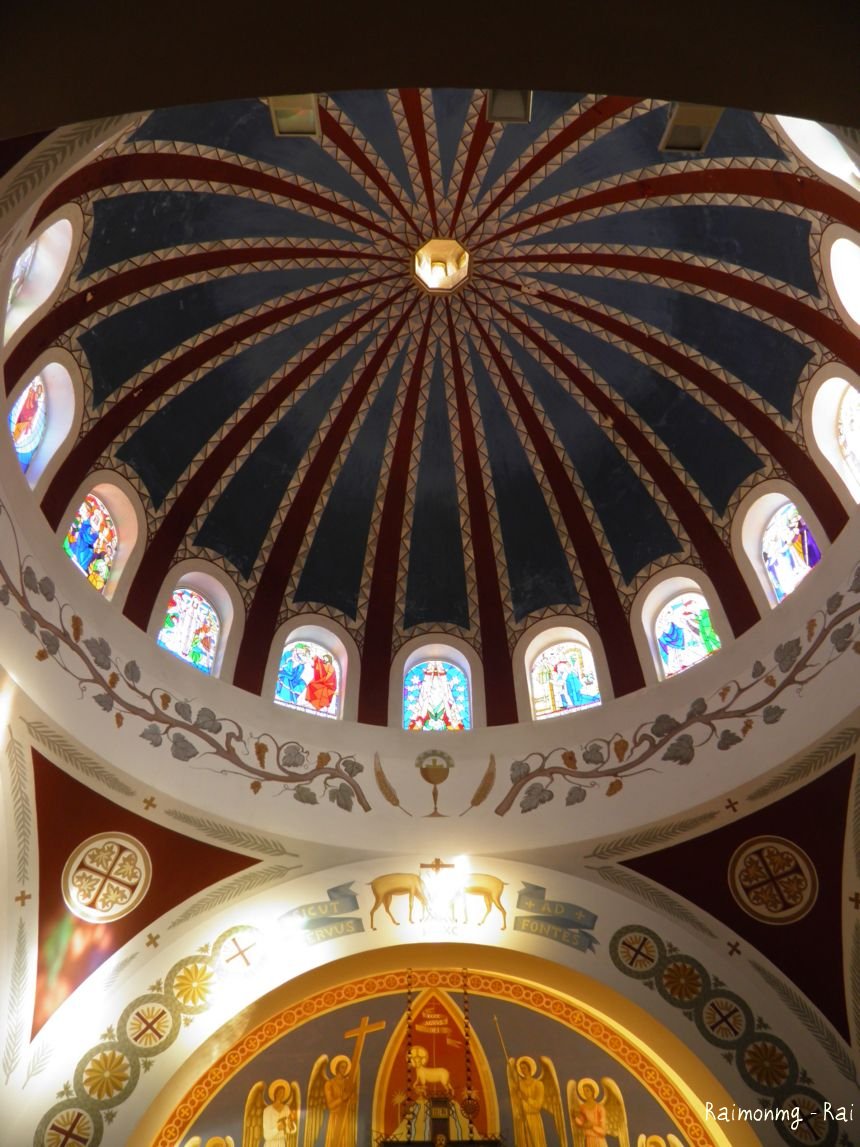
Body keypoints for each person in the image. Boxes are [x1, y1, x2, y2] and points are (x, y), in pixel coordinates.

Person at [572, 1081, 608, 1147]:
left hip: (599, 1140)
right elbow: (581, 1123)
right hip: (589, 1139)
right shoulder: (582, 1107)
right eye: (584, 1091)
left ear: (592, 1092)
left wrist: (592, 1126)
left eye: (587, 1090)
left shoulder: (599, 1107)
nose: (586, 1093)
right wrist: (575, 1117)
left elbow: (603, 1130)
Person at [263, 1082, 296, 1146]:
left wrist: (290, 1123)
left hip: (281, 1143)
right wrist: (277, 1129)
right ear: (275, 1093)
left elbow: (291, 1130)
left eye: (283, 1093)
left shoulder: (286, 1109)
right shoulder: (267, 1110)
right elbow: (266, 1135)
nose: (281, 1095)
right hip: (271, 1144)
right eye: (279, 1092)